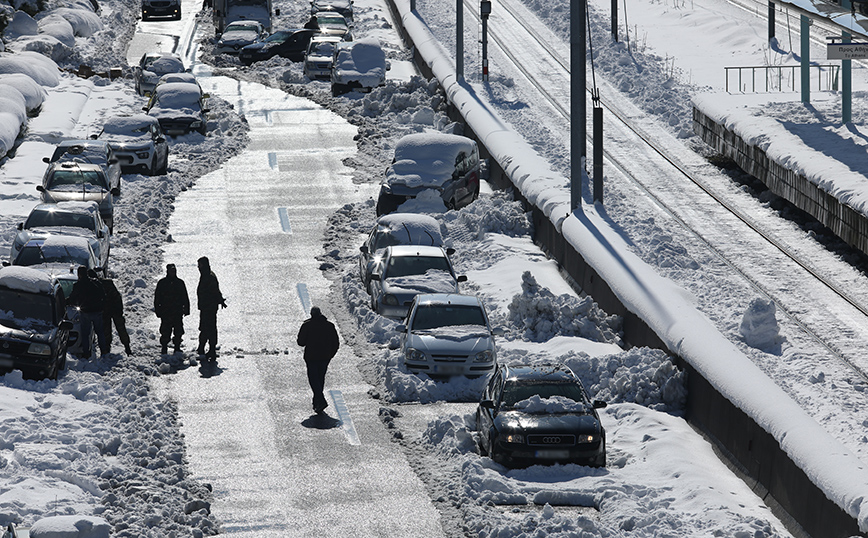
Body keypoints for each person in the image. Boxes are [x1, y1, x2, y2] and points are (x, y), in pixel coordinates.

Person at [296, 306, 340, 414]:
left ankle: (320, 401)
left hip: (311, 358)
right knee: (320, 380)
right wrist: (330, 355)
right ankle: (317, 404)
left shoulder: (307, 325)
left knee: (313, 380)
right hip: (324, 357)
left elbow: (301, 342)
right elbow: (336, 343)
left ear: (311, 314)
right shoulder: (329, 326)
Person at [68, 265, 108, 359]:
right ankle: (103, 351)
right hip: (97, 311)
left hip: (85, 312)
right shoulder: (95, 283)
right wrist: (102, 306)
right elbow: (103, 295)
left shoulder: (78, 285)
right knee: (100, 332)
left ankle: (86, 353)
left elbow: (72, 299)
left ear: (79, 274)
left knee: (85, 334)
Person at [154, 264, 190, 355]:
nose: (172, 272)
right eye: (171, 270)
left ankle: (177, 347)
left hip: (177, 311)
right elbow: (157, 298)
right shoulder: (162, 283)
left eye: (174, 270)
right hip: (166, 312)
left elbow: (185, 297)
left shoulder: (180, 283)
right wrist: (158, 310)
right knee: (165, 331)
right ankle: (164, 347)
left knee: (178, 331)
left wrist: (186, 309)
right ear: (167, 271)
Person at [196, 256, 226, 361]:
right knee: (204, 327)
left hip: (209, 308)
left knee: (209, 328)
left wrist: (220, 300)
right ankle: (202, 347)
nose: (198, 267)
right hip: (206, 307)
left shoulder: (209, 277)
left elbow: (215, 291)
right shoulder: (205, 275)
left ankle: (211, 349)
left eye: (200, 265)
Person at [101, 271, 132, 355]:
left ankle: (108, 348)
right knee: (120, 329)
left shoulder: (100, 286)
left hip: (110, 311)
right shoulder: (108, 284)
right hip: (113, 311)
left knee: (108, 330)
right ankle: (127, 347)